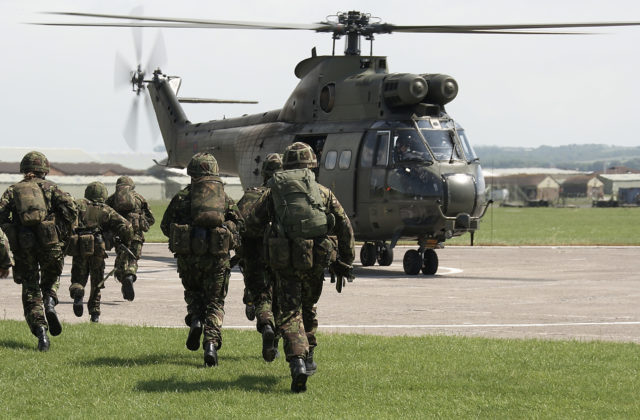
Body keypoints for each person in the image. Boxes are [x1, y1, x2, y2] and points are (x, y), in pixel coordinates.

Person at [247, 142, 355, 393]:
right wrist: (346, 260)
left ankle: (296, 360)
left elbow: (252, 224)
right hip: (316, 259)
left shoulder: (274, 192)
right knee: (308, 305)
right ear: (311, 166)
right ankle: (309, 355)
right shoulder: (324, 193)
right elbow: (345, 227)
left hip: (284, 261)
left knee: (289, 310)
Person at [160, 152, 243, 367]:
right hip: (217, 260)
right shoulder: (224, 198)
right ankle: (211, 345)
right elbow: (240, 224)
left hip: (189, 260)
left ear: (192, 173)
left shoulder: (182, 197)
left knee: (193, 293)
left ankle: (196, 319)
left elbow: (164, 226)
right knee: (215, 302)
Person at [0, 151, 77, 351]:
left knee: (30, 287)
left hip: (24, 247)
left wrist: (13, 231)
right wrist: (60, 230)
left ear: (24, 169)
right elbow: (71, 210)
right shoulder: (51, 188)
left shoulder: (13, 190)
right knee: (52, 277)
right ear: (44, 169)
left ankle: (41, 331)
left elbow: (1, 216)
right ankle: (50, 301)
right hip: (50, 243)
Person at [236, 153, 282, 362]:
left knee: (262, 296)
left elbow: (236, 224)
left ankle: (266, 327)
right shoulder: (287, 197)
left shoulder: (250, 195)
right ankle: (274, 343)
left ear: (264, 173)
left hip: (255, 256)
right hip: (282, 255)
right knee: (281, 300)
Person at [68, 182, 133, 323]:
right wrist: (124, 241)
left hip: (79, 248)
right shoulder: (106, 210)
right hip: (98, 248)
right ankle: (95, 313)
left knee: (78, 278)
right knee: (96, 282)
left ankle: (78, 292)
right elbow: (127, 227)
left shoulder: (77, 205)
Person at [106, 175, 155, 301]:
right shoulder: (139, 198)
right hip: (136, 235)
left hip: (120, 236)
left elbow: (105, 216)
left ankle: (124, 279)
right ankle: (130, 275)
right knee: (133, 259)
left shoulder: (112, 199)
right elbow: (151, 219)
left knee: (121, 260)